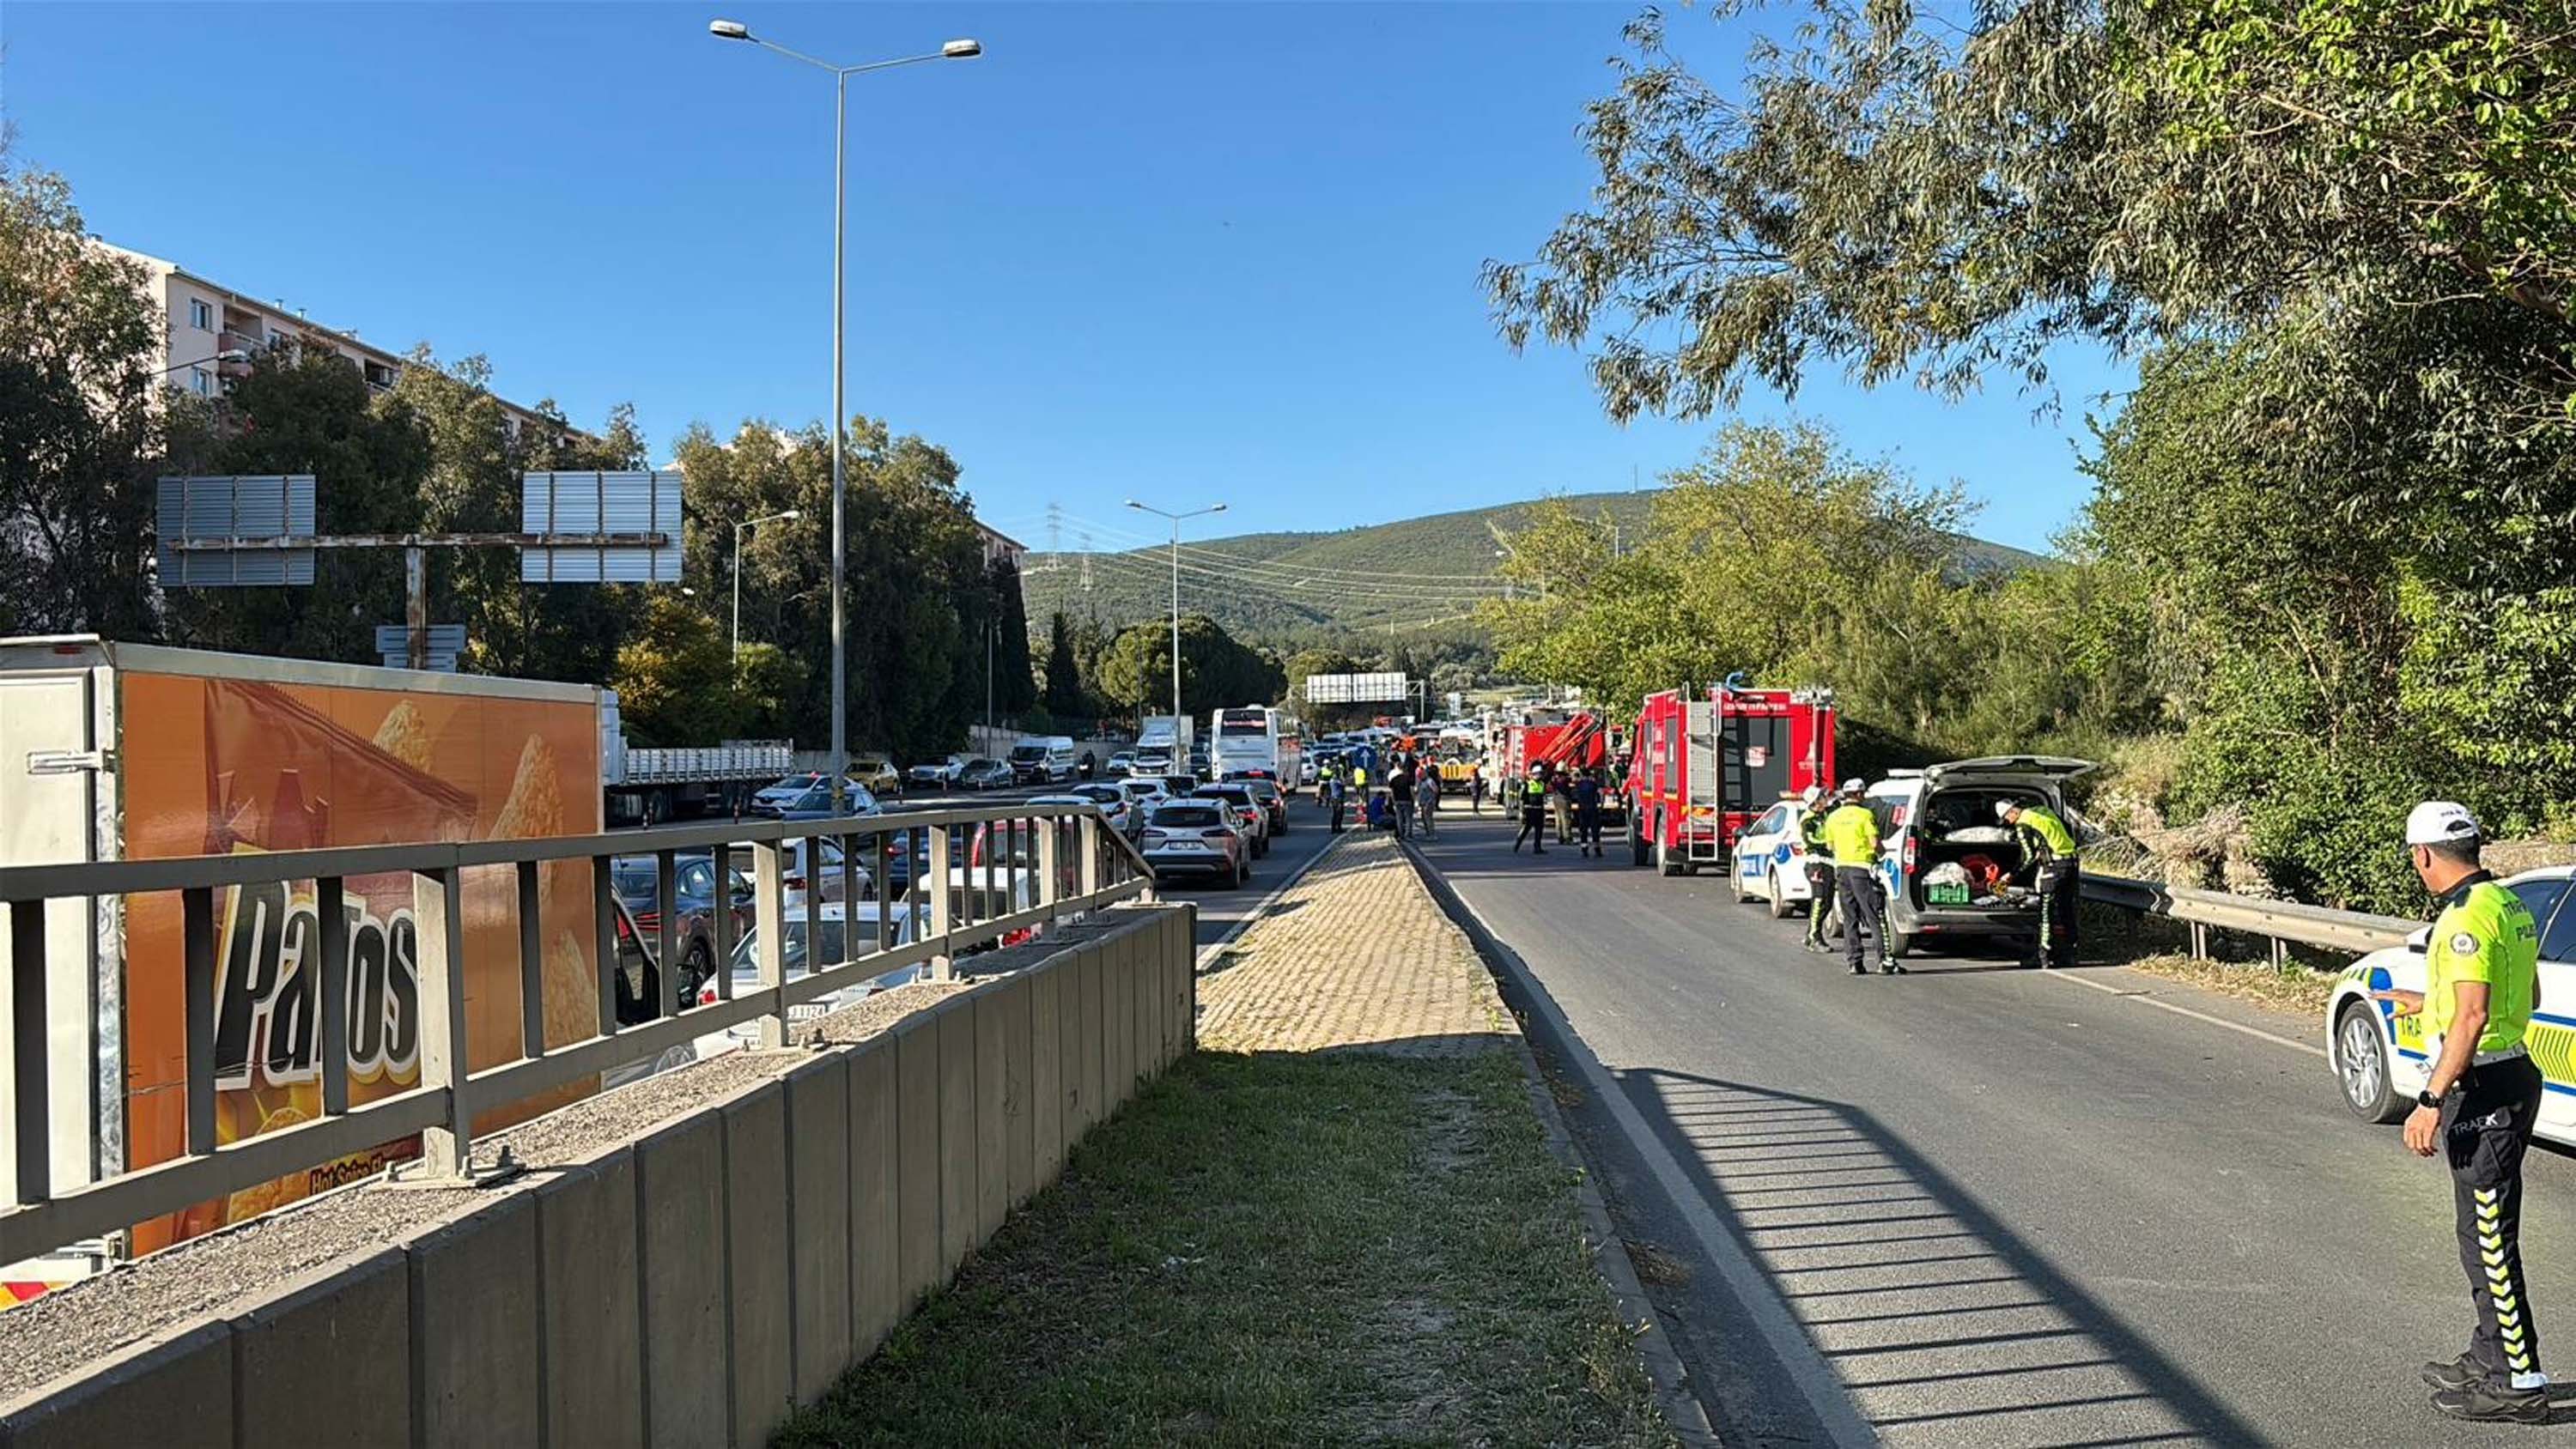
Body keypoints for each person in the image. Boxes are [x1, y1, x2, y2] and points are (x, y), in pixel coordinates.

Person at [2371, 802, 2549, 1423]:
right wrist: (2429, 1001)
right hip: (2511, 1072)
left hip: (2485, 1089)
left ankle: (2519, 1381)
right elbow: (2522, 993)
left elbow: (2474, 1016)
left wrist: (2428, 1100)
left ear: (2422, 856)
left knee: (2490, 1240)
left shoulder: (2463, 919)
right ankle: (2488, 1353)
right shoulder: (2507, 904)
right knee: (2481, 1231)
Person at [1823, 780, 1896, 975]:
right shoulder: (1865, 815)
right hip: (1862, 869)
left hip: (1842, 869)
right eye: (1863, 794)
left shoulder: (1833, 816)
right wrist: (1882, 853)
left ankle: (1855, 962)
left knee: (1850, 918)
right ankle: (1885, 961)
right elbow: (1874, 843)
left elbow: (1830, 846)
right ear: (1858, 794)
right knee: (1874, 916)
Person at [1998, 799, 2081, 967]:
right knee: (2067, 910)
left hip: (2054, 868)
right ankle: (2070, 954)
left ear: (2011, 812)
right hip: (2072, 863)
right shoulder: (2043, 810)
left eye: (2006, 820)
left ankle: (2042, 956)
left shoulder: (2022, 824)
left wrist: (2011, 874)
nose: (2008, 823)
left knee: (2045, 912)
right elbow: (2067, 829)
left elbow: (2028, 856)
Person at [1798, 785, 1838, 952]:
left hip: (1829, 862)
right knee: (1819, 899)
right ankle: (1815, 937)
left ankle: (1810, 934)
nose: (1825, 798)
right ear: (1815, 802)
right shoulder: (1807, 819)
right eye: (1822, 796)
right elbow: (1811, 841)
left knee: (1828, 902)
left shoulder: (1825, 813)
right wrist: (1830, 845)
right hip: (1816, 862)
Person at [1513, 764, 1550, 854]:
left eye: (1540, 774)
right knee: (1526, 828)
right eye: (1537, 774)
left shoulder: (1542, 784)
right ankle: (1518, 843)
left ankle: (1537, 848)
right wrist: (1522, 812)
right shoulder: (1527, 784)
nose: (1539, 776)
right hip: (1530, 810)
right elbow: (1522, 799)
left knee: (1539, 830)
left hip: (1539, 810)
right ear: (1533, 774)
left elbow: (1543, 796)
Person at [1571, 768, 1604, 857]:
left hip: (1582, 809)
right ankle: (1597, 849)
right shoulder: (1593, 784)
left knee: (1583, 830)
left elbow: (1574, 793)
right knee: (1595, 830)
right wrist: (1601, 804)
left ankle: (1584, 849)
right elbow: (1601, 793)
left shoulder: (1578, 785)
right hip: (1593, 808)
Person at [1389, 759, 1417, 840]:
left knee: (1399, 818)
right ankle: (1407, 835)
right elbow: (1412, 791)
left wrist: (1394, 801)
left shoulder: (1393, 779)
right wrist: (1414, 800)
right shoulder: (1408, 779)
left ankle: (1401, 835)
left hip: (1397, 801)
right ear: (1404, 769)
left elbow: (1392, 792)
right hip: (1407, 800)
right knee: (1408, 818)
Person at [1419, 766, 1442, 839]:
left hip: (1428, 802)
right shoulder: (1422, 781)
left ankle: (1431, 834)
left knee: (1428, 818)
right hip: (1423, 802)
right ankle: (1428, 833)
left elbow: (1436, 790)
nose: (1422, 775)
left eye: (1423, 774)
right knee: (1424, 818)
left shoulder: (1429, 781)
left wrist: (1431, 800)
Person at [1325, 762, 1348, 834]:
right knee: (1339, 814)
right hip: (1337, 799)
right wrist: (1342, 776)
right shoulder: (1335, 780)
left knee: (1336, 814)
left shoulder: (1333, 780)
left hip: (1335, 798)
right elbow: (1344, 783)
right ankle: (1337, 828)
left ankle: (1335, 828)